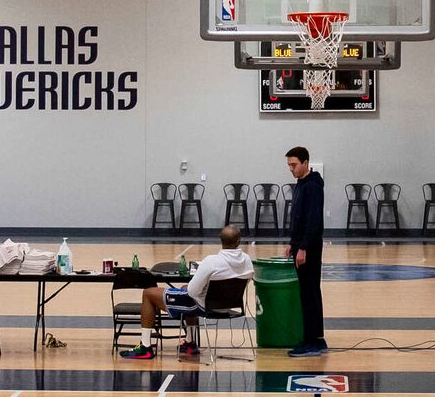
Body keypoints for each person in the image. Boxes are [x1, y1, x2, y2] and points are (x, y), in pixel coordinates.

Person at [118, 225, 256, 361]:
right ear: (238, 241)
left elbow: (192, 291)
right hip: (228, 307)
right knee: (185, 287)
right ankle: (190, 343)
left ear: (220, 241)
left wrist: (191, 289)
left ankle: (145, 347)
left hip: (204, 307)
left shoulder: (212, 261)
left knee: (149, 293)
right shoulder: (247, 260)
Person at [284, 145, 327, 357]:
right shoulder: (300, 184)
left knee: (310, 293)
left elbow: (313, 221)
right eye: (289, 165)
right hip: (300, 245)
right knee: (307, 293)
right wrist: (292, 243)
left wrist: (303, 248)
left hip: (309, 248)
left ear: (305, 163)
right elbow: (297, 218)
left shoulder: (313, 186)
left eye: (294, 165)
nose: (291, 169)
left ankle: (313, 341)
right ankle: (314, 338)